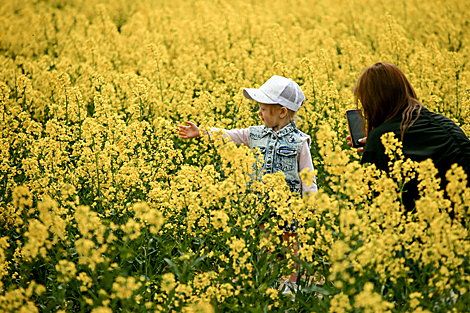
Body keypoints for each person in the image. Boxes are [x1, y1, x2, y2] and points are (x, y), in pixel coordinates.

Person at [177, 75, 317, 294]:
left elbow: (308, 176)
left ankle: (291, 284)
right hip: (261, 203)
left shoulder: (300, 141)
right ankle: (268, 279)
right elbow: (229, 135)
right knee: (265, 242)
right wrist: (201, 132)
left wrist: (310, 202)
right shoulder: (255, 133)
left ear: (281, 112)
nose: (259, 113)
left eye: (263, 109)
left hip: (289, 206)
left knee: (291, 244)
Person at [347, 62, 470, 212]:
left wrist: (375, 146)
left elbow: (374, 202)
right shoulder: (446, 124)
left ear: (373, 102)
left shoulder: (380, 137)